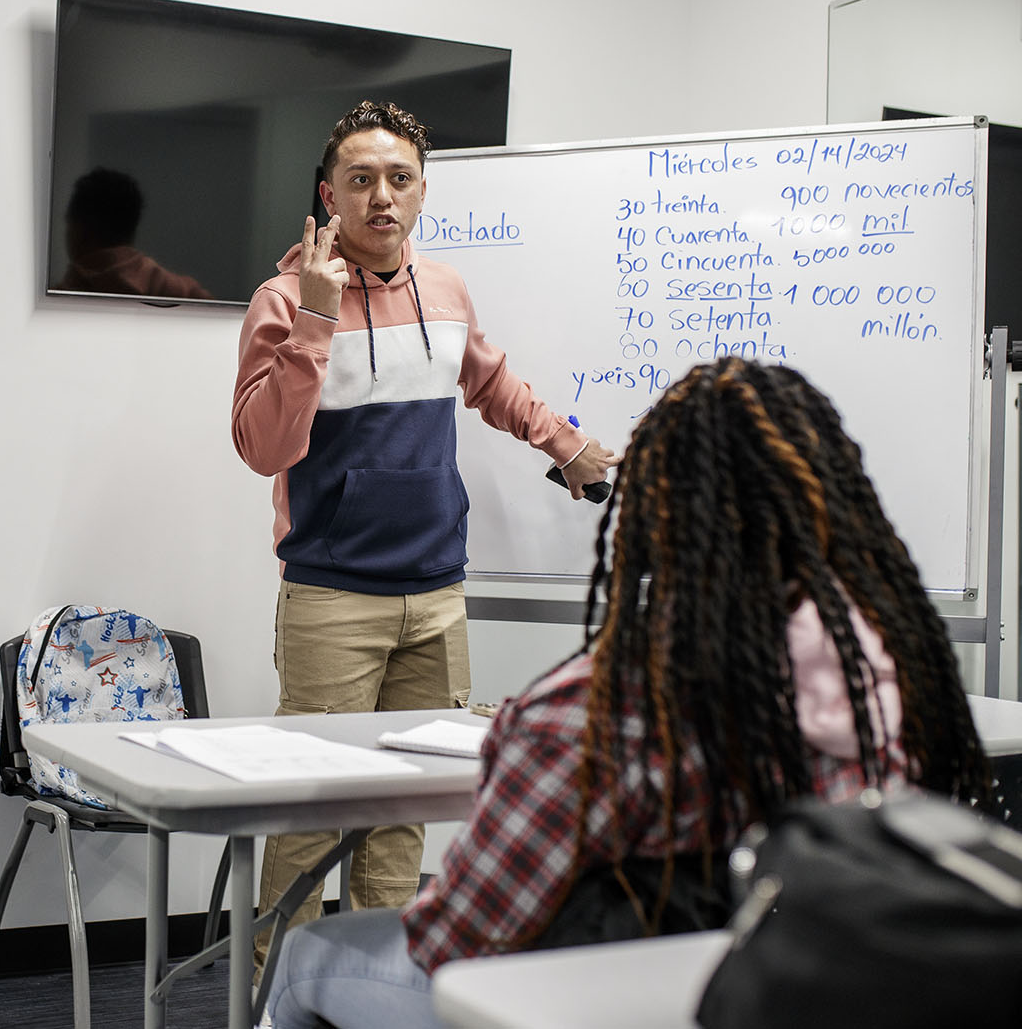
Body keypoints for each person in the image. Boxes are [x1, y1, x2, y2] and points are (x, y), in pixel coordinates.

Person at [262, 357, 996, 1029]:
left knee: (310, 956)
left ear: (653, 517)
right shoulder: (888, 681)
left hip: (586, 1007)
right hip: (786, 994)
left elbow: (460, 936)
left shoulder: (587, 711)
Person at [230, 100, 618, 973]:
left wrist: (571, 447)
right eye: (360, 180)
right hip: (332, 595)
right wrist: (318, 319)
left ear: (422, 192)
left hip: (438, 591)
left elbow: (491, 382)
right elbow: (264, 448)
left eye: (398, 179)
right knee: (310, 807)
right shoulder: (282, 299)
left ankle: (379, 983)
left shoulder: (444, 290)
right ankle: (271, 993)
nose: (381, 198)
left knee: (404, 808)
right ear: (328, 194)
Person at [55, 167, 213, 300]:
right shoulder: (178, 290)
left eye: (68, 223)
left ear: (79, 228)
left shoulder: (61, 297)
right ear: (132, 228)